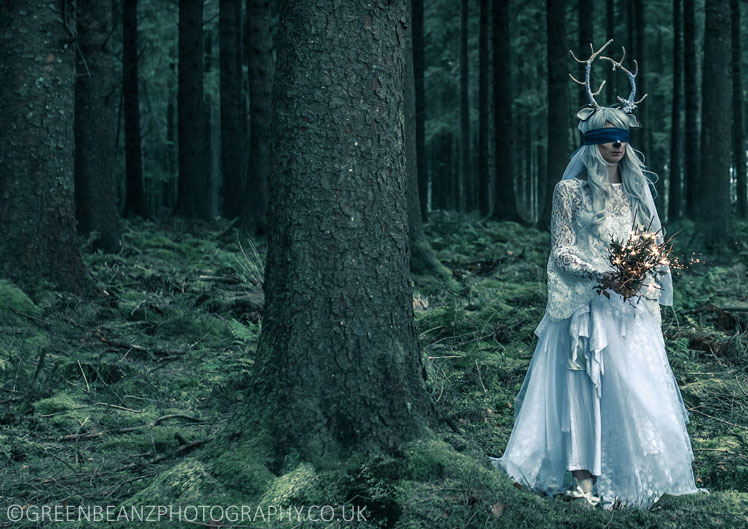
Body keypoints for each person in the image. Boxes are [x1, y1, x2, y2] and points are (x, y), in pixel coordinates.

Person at [488, 44, 710, 509]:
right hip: (583, 307)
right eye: (609, 136)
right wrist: (605, 273)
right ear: (592, 142)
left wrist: (641, 275)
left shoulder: (633, 192)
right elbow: (563, 251)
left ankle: (634, 481)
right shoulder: (569, 191)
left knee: (633, 392)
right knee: (582, 392)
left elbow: (649, 243)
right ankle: (583, 484)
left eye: (623, 136)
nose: (617, 143)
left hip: (629, 311)